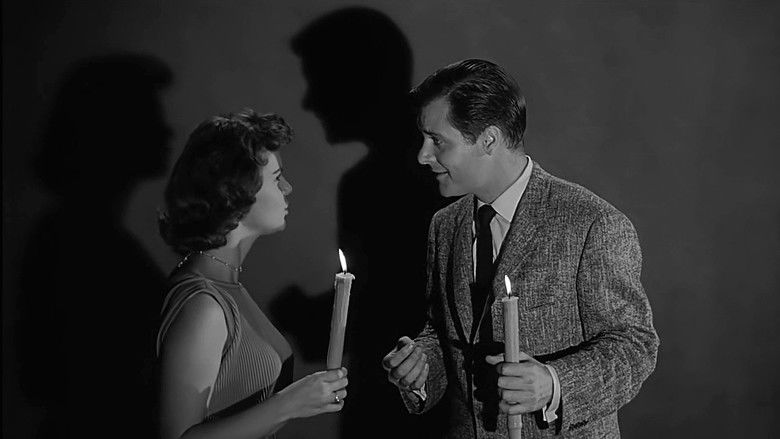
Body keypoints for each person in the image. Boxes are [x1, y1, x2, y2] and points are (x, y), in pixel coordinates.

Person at [382, 59, 659, 438]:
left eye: (437, 141)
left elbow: (634, 346)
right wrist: (421, 365)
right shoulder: (444, 225)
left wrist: (553, 383)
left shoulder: (592, 223)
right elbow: (444, 335)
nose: (422, 155)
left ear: (489, 140)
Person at [156, 109, 348, 439]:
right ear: (236, 190)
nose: (288, 188)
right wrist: (289, 404)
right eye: (277, 178)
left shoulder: (226, 286)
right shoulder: (204, 305)